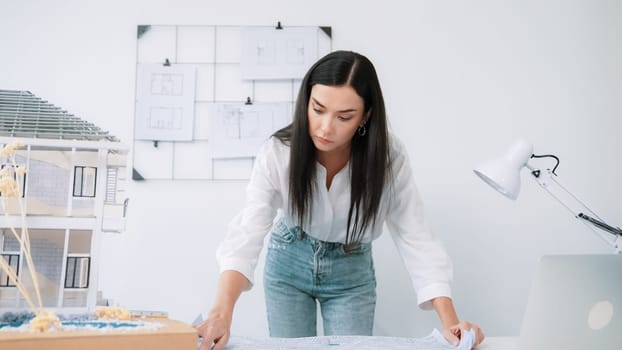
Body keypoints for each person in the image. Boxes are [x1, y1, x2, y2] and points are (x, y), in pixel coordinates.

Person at [196, 50, 485, 350]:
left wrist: (450, 322)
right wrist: (221, 314)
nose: (325, 127)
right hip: (289, 260)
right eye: (318, 109)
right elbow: (247, 232)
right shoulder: (279, 152)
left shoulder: (389, 158)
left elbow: (417, 237)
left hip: (351, 270)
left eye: (344, 117)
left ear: (366, 116)